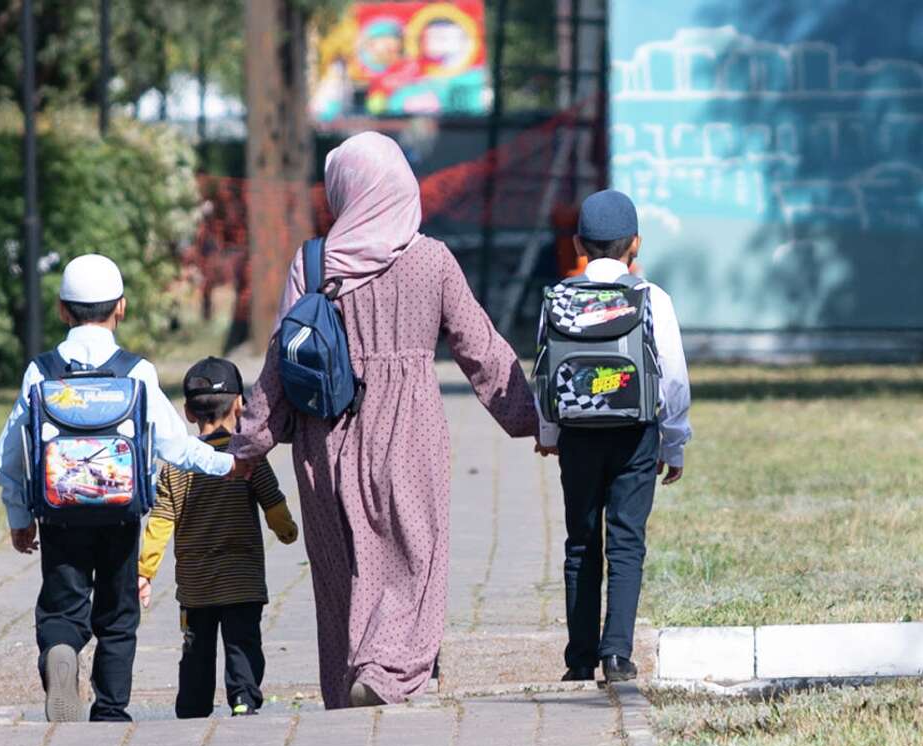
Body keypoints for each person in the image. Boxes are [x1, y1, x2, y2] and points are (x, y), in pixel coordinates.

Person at [229, 131, 537, 710]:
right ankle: (386, 669)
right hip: (411, 432)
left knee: (340, 568)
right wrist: (534, 421)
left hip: (326, 438)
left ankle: (348, 682)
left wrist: (248, 447)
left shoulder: (314, 262)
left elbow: (280, 362)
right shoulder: (432, 261)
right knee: (412, 556)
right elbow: (483, 350)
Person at [0, 254, 234, 722]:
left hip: (60, 510)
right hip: (122, 510)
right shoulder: (136, 371)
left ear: (63, 311)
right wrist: (229, 463)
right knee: (119, 613)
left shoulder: (41, 372)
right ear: (120, 308)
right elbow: (175, 446)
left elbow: (10, 453)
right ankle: (110, 708)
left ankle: (62, 650)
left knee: (62, 604)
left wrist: (19, 518)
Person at [535, 190, 693, 686]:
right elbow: (672, 379)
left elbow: (543, 370)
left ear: (579, 243)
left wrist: (549, 431)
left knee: (580, 543)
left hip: (578, 435)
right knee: (626, 541)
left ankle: (578, 658)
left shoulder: (558, 296)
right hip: (635, 434)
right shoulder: (652, 298)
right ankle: (617, 655)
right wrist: (674, 441)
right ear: (636, 245)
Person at [138, 358, 299, 719]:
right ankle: (243, 698)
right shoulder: (245, 458)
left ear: (188, 412)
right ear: (240, 406)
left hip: (196, 584)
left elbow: (159, 523)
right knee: (243, 642)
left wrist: (144, 571)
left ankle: (193, 705)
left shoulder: (176, 467)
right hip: (241, 576)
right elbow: (273, 503)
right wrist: (286, 530)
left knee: (196, 646)